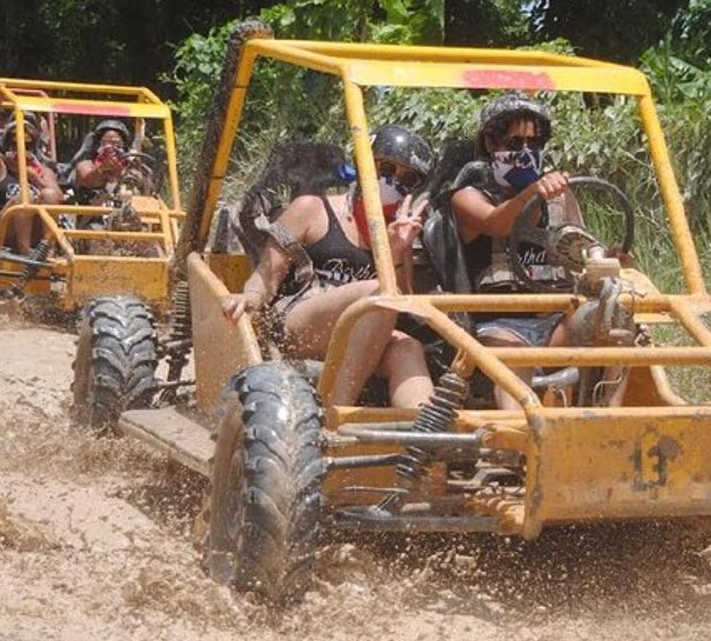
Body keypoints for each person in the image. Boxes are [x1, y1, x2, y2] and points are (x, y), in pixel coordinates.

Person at [222, 125, 436, 409]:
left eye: (406, 178)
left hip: (365, 332)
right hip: (299, 322)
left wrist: (396, 250)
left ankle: (425, 434)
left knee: (408, 347)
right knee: (377, 291)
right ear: (363, 165)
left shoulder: (398, 233)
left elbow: (402, 303)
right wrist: (249, 297)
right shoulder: (312, 209)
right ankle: (337, 410)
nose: (392, 181)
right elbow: (266, 276)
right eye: (385, 168)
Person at [449, 94, 582, 408]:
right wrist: (532, 192)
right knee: (514, 361)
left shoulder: (561, 196)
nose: (525, 152)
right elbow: (498, 225)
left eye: (533, 143)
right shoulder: (468, 197)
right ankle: (519, 440)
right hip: (501, 324)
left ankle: (615, 424)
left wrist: (610, 257)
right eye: (515, 142)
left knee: (617, 323)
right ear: (492, 145)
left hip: (556, 320)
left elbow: (582, 248)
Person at [0, 94, 63, 254]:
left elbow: (58, 198)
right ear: (7, 144)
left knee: (49, 194)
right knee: (25, 197)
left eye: (27, 145)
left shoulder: (43, 169)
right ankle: (25, 252)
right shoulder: (0, 166)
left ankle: (48, 250)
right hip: (3, 230)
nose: (21, 149)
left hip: (37, 234)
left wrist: (35, 178)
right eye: (15, 144)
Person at [73, 119, 132, 195]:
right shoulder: (85, 165)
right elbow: (89, 180)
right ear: (97, 145)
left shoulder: (130, 167)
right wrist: (101, 169)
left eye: (117, 144)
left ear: (124, 146)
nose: (111, 148)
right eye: (106, 143)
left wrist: (123, 174)